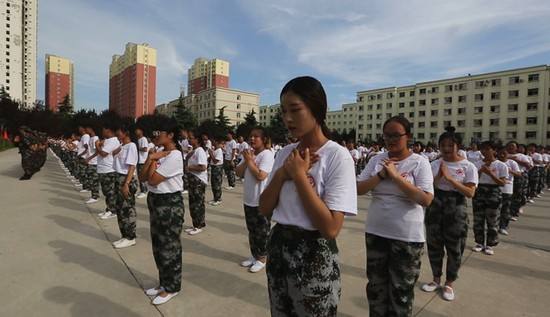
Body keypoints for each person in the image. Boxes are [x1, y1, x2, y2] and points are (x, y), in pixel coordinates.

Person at [259, 76, 357, 316]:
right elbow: (264, 208)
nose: (288, 118)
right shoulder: (284, 154)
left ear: (317, 109)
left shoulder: (337, 156)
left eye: (295, 110)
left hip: (314, 254)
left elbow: (331, 228)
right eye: (283, 111)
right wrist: (283, 174)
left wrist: (300, 177)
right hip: (280, 245)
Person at [357, 116, 434, 317]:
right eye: (386, 135)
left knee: (401, 293)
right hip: (376, 232)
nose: (390, 139)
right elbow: (358, 189)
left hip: (406, 237)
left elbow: (425, 199)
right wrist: (381, 175)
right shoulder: (376, 160)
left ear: (407, 136)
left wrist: (396, 177)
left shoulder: (419, 162)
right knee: (376, 289)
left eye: (396, 135)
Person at [421, 127, 478, 302]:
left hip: (456, 208)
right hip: (435, 206)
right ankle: (436, 278)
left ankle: (449, 282)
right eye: (443, 145)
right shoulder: (434, 164)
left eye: (450, 145)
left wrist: (451, 179)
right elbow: (428, 187)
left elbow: (470, 193)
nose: (446, 149)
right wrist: (439, 176)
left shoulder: (468, 166)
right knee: (434, 244)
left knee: (455, 248)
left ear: (457, 146)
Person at [138, 116, 184, 305]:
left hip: (169, 203)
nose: (155, 136)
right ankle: (164, 282)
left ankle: (172, 287)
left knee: (169, 247)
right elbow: (142, 177)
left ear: (170, 135)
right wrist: (150, 158)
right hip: (156, 201)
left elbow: (153, 180)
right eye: (153, 132)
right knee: (158, 246)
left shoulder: (175, 155)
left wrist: (152, 162)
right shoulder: (157, 152)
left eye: (159, 132)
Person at [236, 126, 275, 273]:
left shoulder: (267, 155)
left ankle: (262, 258)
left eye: (256, 136)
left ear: (264, 139)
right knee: (252, 230)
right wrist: (247, 161)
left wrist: (250, 161)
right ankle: (255, 255)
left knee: (262, 231)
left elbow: (261, 176)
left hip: (262, 201)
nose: (252, 139)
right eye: (250, 136)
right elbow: (238, 172)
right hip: (249, 199)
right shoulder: (250, 155)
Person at [472, 141, 508, 255]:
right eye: (482, 149)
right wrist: (480, 172)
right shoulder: (476, 164)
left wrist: (490, 173)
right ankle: (479, 242)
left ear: (494, 150)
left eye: (487, 149)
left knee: (492, 219)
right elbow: (472, 180)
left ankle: (490, 244)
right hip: (479, 191)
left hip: (494, 191)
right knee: (478, 219)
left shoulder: (501, 165)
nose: (484, 152)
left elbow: (502, 182)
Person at [112, 124, 139, 249]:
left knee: (127, 208)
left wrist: (126, 184)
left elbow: (132, 166)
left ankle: (130, 237)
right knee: (120, 208)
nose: (117, 134)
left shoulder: (131, 146)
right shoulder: (122, 146)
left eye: (119, 132)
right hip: (118, 177)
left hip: (125, 179)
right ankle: (124, 235)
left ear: (125, 132)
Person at [96, 120, 121, 220]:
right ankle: (109, 208)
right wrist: (100, 145)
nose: (102, 132)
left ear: (108, 130)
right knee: (106, 191)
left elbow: (103, 154)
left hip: (109, 169)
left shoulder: (113, 141)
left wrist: (97, 146)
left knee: (110, 192)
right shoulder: (107, 140)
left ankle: (112, 211)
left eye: (103, 130)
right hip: (103, 169)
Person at [185, 130, 208, 235]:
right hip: (193, 179)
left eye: (191, 137)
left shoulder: (200, 151)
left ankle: (199, 225)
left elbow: (203, 167)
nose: (189, 139)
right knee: (193, 203)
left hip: (198, 180)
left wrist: (189, 167)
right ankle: (195, 224)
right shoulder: (194, 151)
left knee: (198, 203)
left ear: (197, 140)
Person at [497, 146, 521, 236]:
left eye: (504, 153)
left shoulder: (512, 162)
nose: (502, 155)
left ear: (508, 154)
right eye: (500, 153)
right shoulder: (495, 162)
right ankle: (495, 225)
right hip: (496, 188)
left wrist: (511, 171)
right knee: (495, 209)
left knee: (505, 209)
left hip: (507, 189)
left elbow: (519, 174)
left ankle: (503, 227)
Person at [84, 123, 100, 204]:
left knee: (94, 180)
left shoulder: (95, 138)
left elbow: (97, 151)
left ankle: (95, 196)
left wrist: (89, 158)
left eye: (87, 128)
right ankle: (93, 195)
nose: (86, 130)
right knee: (91, 179)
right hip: (90, 162)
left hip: (94, 162)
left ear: (91, 129)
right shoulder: (91, 138)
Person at [208, 139, 224, 206]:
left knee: (217, 183)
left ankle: (218, 199)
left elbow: (215, 161)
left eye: (213, 141)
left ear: (217, 142)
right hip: (214, 168)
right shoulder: (215, 150)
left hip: (217, 168)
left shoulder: (219, 151)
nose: (212, 143)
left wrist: (211, 154)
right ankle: (215, 198)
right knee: (213, 183)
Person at [135, 127, 149, 199]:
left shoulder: (143, 139)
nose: (136, 131)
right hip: (139, 160)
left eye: (138, 130)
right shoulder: (138, 139)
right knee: (139, 176)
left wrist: (137, 148)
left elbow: (145, 149)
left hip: (143, 161)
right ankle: (142, 190)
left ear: (141, 131)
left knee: (142, 175)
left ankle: (144, 191)